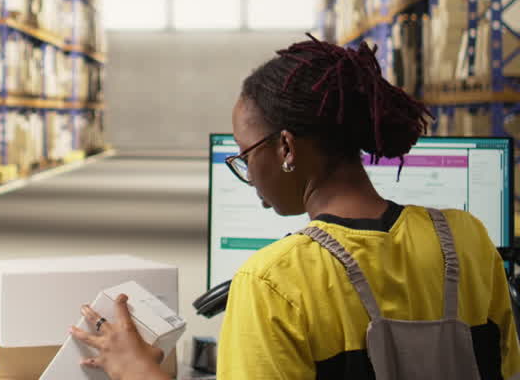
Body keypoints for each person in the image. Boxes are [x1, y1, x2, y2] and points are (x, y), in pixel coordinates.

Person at [69, 37, 520, 380]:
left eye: (245, 154)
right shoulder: (468, 239)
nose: (247, 171)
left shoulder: (272, 282)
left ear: (286, 146)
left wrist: (138, 370)